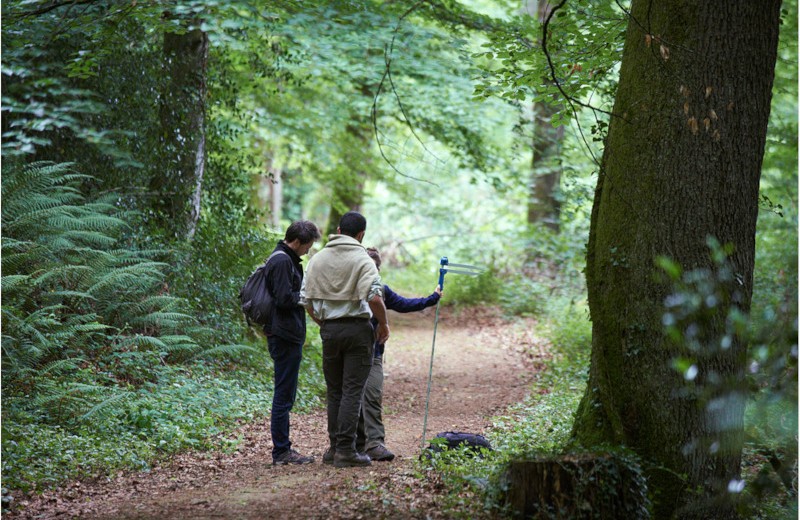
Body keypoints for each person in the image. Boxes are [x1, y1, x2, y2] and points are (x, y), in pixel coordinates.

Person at [301, 211, 390, 468]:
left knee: (336, 391)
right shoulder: (363, 260)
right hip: (357, 331)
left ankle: (333, 449)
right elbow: (374, 298)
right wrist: (383, 324)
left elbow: (305, 298)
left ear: (338, 230)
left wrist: (321, 321)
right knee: (353, 391)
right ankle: (346, 451)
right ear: (361, 235)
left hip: (329, 330)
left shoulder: (318, 259)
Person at [356, 247, 441, 462]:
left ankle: (374, 443)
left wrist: (432, 298)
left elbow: (404, 304)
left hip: (373, 352)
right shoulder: (349, 287)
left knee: (372, 394)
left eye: (374, 268)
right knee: (352, 398)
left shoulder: (381, 291)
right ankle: (354, 444)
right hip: (351, 350)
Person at [265, 220, 321, 465]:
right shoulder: (281, 261)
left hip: (287, 333)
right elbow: (283, 299)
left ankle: (283, 448)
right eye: (307, 246)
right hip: (284, 334)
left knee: (285, 393)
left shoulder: (285, 259)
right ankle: (281, 451)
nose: (308, 251)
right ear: (297, 241)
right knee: (283, 394)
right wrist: (306, 296)